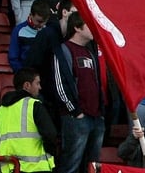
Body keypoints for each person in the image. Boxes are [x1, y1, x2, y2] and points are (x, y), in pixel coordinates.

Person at [53, 12, 105, 173]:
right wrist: (75, 111)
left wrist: (101, 113)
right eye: (88, 25)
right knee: (71, 164)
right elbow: (60, 84)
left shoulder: (90, 52)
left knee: (92, 166)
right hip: (76, 117)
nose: (93, 29)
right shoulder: (63, 50)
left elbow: (97, 83)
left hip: (95, 116)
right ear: (77, 27)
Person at [0, 67, 57, 173]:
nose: (40, 87)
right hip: (37, 168)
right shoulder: (34, 105)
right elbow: (50, 135)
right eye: (37, 83)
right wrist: (51, 153)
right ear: (27, 85)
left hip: (10, 169)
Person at [8, 0, 50, 72]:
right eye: (39, 21)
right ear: (31, 15)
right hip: (26, 74)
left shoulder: (49, 31)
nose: (42, 25)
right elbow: (13, 58)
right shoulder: (18, 30)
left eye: (44, 22)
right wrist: (24, 73)